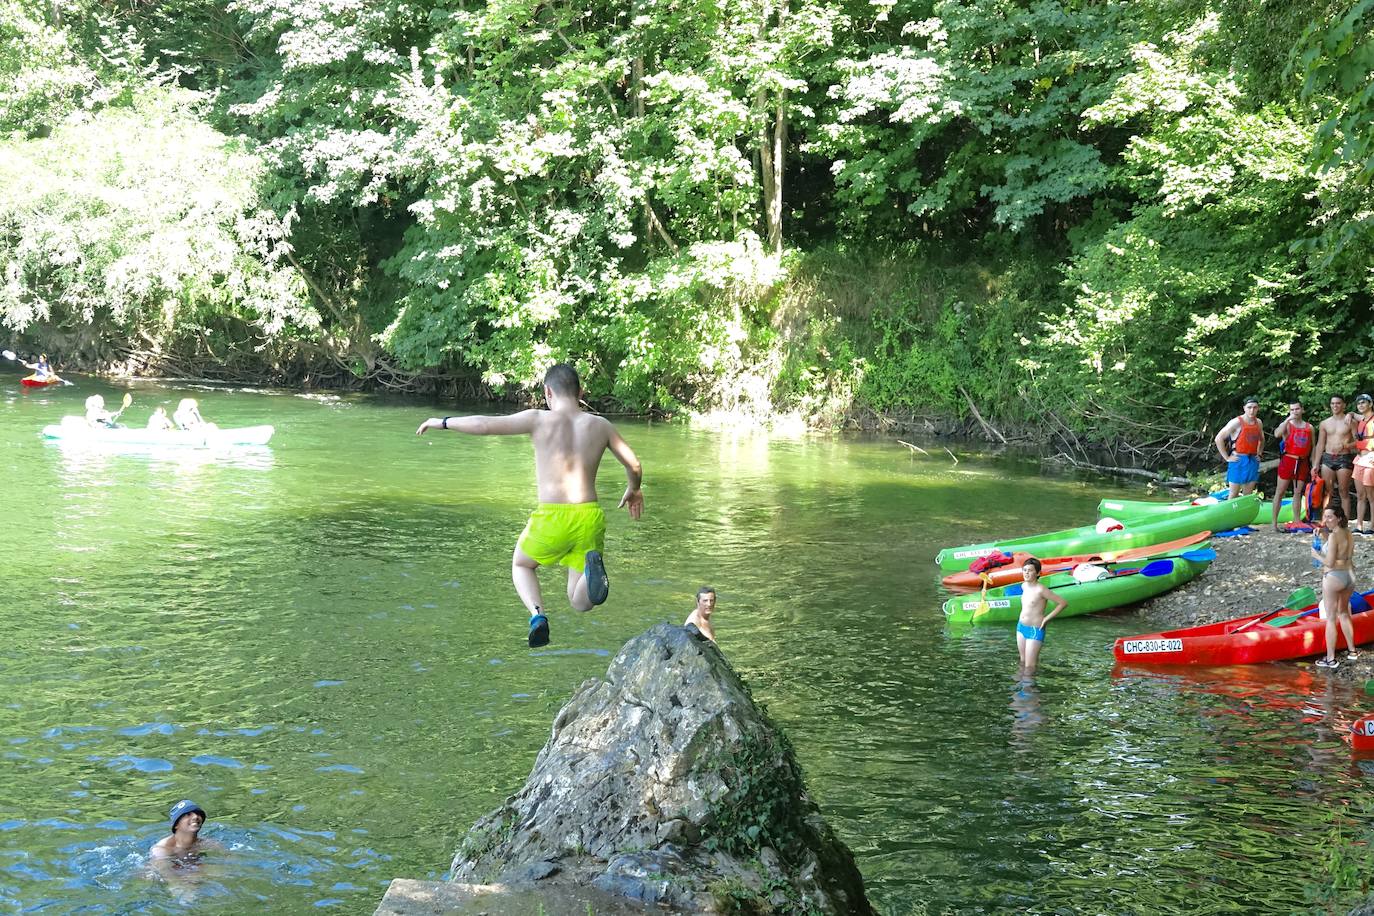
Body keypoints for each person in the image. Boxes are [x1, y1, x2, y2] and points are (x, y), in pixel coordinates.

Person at [415, 363, 644, 647]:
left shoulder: (538, 419)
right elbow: (633, 463)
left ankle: (538, 616)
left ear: (548, 392)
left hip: (553, 515)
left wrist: (444, 422)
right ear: (581, 392)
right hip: (589, 514)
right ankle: (590, 571)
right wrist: (633, 489)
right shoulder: (600, 425)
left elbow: (485, 425)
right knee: (579, 601)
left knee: (521, 564)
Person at [1313, 505, 1358, 670]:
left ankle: (1330, 659)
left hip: (1334, 577)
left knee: (1331, 618)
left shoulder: (1334, 537)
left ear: (1339, 518)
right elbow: (1341, 553)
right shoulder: (1348, 533)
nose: (1326, 520)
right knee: (1344, 613)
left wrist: (1316, 554)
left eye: (1330, 517)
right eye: (1325, 517)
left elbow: (1330, 562)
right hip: (1349, 577)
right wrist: (1325, 535)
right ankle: (1352, 651)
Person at [1016, 558, 1068, 677]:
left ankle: (1030, 691)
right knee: (1023, 661)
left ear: (1038, 573)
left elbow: (1063, 603)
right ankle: (1020, 685)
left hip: (1035, 629)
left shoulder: (1041, 589)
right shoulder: (1024, 586)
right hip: (1020, 627)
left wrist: (1046, 618)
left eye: (1030, 570)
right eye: (1024, 570)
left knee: (1030, 666)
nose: (1026, 573)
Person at [1313, 394, 1358, 519]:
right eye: (1333, 403)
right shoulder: (1325, 423)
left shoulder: (1350, 422)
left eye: (1338, 403)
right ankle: (1326, 520)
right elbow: (1320, 444)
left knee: (1344, 491)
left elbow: (1358, 442)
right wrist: (1316, 464)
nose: (1335, 406)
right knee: (1328, 492)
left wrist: (1346, 446)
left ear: (1344, 405)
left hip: (1344, 458)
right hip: (1327, 458)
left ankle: (1345, 523)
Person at [1273, 400, 1314, 531]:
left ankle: (1297, 521)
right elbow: (1277, 434)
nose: (1295, 412)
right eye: (1292, 410)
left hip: (1302, 462)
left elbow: (1313, 446)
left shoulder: (1309, 427)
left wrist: (1313, 464)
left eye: (1297, 409)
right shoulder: (1287, 424)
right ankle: (1273, 523)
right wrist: (1287, 419)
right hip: (1288, 460)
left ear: (1302, 410)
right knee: (1280, 492)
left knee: (1297, 492)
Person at [1214, 396, 1264, 499]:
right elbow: (1218, 438)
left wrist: (1259, 453)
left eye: (1255, 407)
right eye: (1249, 407)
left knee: (1247, 495)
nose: (1252, 410)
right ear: (1244, 408)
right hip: (1238, 459)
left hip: (1252, 460)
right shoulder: (1236, 422)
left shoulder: (1258, 422)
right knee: (1233, 493)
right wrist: (1227, 458)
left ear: (1258, 408)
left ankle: (1244, 514)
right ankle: (1229, 514)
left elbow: (1262, 439)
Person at [1354, 394, 1374, 536]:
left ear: (1370, 404)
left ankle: (1372, 526)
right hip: (1359, 459)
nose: (1361, 405)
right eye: (1359, 403)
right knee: (1360, 494)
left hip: (1371, 458)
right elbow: (1354, 416)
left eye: (1363, 402)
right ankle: (1359, 526)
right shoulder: (1362, 420)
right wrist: (1349, 415)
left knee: (1371, 496)